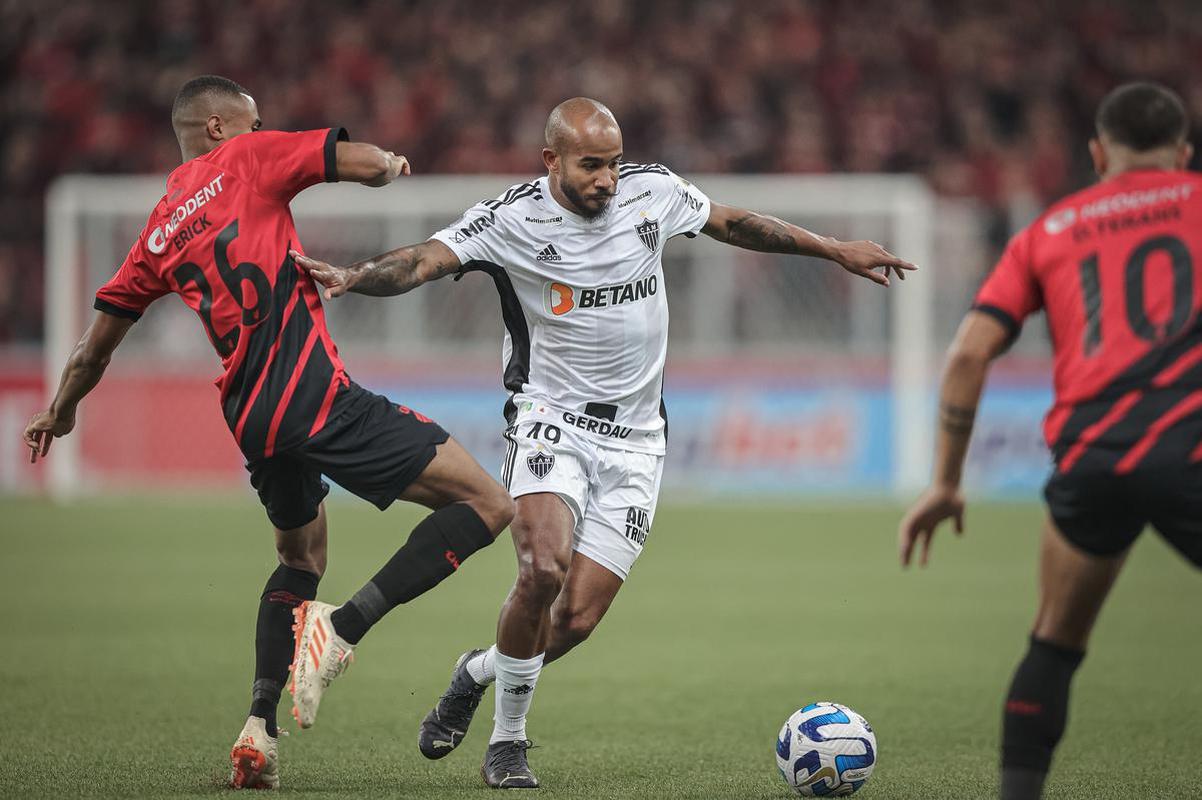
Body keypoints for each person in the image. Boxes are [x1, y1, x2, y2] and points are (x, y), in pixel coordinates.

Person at [293, 96, 915, 788]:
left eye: (614, 164)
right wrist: (354, 275)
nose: (607, 180)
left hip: (638, 438)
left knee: (575, 620)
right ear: (551, 160)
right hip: (551, 419)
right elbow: (422, 262)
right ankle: (508, 742)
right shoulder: (511, 220)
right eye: (591, 165)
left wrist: (834, 249)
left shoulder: (653, 192)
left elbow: (734, 223)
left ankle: (477, 671)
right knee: (542, 569)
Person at [23, 75, 514, 791]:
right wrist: (389, 165)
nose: (261, 130)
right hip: (315, 396)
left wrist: (61, 411)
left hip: (251, 416)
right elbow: (360, 163)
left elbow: (91, 351)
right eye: (252, 121)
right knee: (488, 504)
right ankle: (342, 629)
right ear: (219, 128)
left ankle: (258, 727)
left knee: (299, 556)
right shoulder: (247, 157)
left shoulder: (157, 232)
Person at [899, 82, 1202, 800]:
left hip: (1093, 456)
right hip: (1191, 446)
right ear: (1184, 154)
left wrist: (945, 482)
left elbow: (968, 354)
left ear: (1098, 154)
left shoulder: (1051, 229)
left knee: (1055, 642)